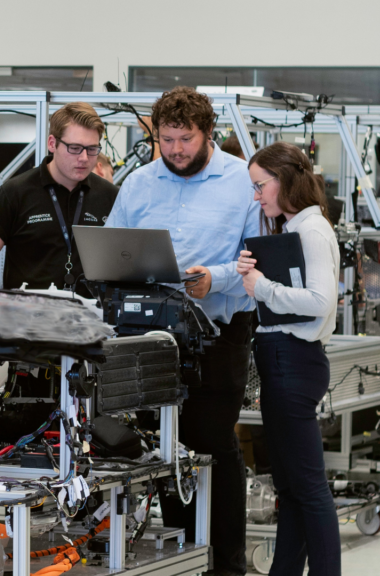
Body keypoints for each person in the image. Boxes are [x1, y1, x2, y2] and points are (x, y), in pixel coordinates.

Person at [104, 86, 259, 575]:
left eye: (185, 139)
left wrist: (218, 277)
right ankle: (181, 558)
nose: (175, 149)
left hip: (219, 332)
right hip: (152, 337)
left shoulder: (241, 181)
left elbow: (257, 256)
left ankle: (225, 563)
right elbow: (111, 248)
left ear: (208, 133)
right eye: (167, 139)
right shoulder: (139, 183)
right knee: (166, 450)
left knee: (212, 442)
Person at [237, 141, 340, 576]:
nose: (257, 196)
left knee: (309, 488)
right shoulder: (294, 229)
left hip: (293, 360)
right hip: (285, 358)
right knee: (293, 488)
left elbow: (320, 300)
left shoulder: (312, 231)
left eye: (261, 185)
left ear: (285, 180)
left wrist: (261, 286)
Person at [0, 102, 118, 294]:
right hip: (28, 317)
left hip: (92, 315)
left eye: (92, 149)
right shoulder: (15, 192)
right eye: (75, 148)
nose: (84, 158)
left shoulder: (110, 196)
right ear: (52, 144)